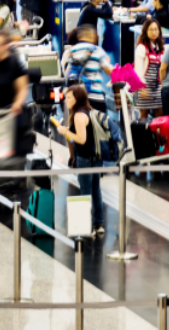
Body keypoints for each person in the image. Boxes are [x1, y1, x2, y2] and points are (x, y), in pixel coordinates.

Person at [56, 85, 105, 237]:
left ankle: (87, 227)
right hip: (97, 156)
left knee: (86, 192)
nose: (66, 100)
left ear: (77, 98)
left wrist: (65, 131)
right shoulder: (90, 111)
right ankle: (99, 224)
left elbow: (81, 139)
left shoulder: (78, 115)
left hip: (85, 158)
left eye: (69, 97)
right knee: (96, 190)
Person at [133, 18, 165, 119]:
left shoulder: (160, 47)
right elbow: (138, 69)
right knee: (143, 115)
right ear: (145, 31)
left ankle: (156, 135)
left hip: (157, 87)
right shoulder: (141, 48)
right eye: (151, 29)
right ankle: (142, 134)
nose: (154, 32)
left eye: (156, 29)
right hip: (144, 86)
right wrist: (141, 87)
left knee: (159, 114)